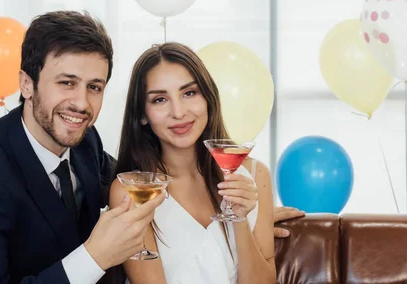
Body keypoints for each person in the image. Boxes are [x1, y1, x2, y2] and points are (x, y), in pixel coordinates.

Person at [0, 11, 163, 283]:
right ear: (27, 84)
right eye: (66, 83)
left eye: (94, 87)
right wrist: (94, 257)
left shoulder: (85, 141)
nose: (82, 103)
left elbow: (131, 180)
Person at [110, 42, 304, 284]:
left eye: (189, 93)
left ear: (208, 98)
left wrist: (240, 219)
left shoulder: (255, 175)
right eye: (160, 99)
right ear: (141, 115)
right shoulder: (133, 192)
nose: (179, 112)